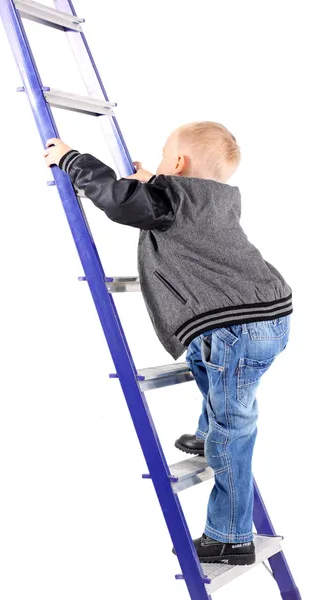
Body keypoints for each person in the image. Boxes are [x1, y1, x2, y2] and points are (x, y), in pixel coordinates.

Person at [43, 122, 292, 565]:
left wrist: (72, 159)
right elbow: (157, 201)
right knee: (210, 363)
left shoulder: (171, 201)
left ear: (178, 165)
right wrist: (150, 181)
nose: (156, 167)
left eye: (162, 158)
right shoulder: (217, 199)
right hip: (267, 318)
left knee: (232, 429)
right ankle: (205, 432)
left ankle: (231, 537)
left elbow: (120, 202)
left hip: (234, 326)